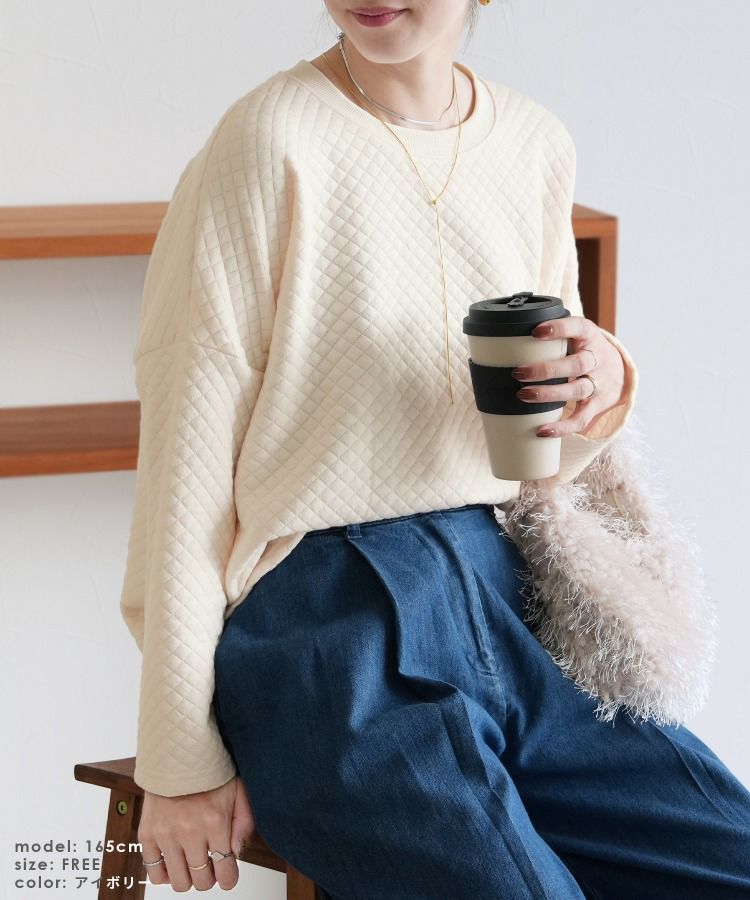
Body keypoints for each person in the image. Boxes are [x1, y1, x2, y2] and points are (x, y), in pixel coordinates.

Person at [120, 1, 750, 897]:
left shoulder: (533, 142)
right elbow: (184, 463)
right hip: (329, 618)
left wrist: (600, 383)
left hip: (511, 597)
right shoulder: (269, 139)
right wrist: (177, 759)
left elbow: (534, 450)